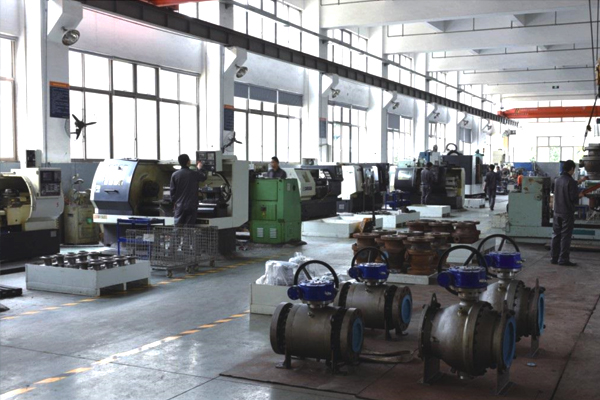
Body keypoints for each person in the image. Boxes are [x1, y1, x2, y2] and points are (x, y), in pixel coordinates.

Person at [550, 160, 585, 266]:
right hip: (567, 213)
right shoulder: (571, 181)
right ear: (572, 169)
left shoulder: (557, 180)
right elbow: (573, 198)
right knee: (565, 236)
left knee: (556, 235)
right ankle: (563, 259)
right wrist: (580, 195)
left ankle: (554, 258)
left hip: (557, 211)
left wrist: (578, 182)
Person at [170, 154, 207, 227]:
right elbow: (203, 177)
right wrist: (199, 168)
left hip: (179, 206)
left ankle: (177, 235)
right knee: (189, 229)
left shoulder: (174, 175)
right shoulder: (194, 174)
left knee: (178, 227)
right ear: (188, 162)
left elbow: (172, 191)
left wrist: (174, 202)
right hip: (191, 205)